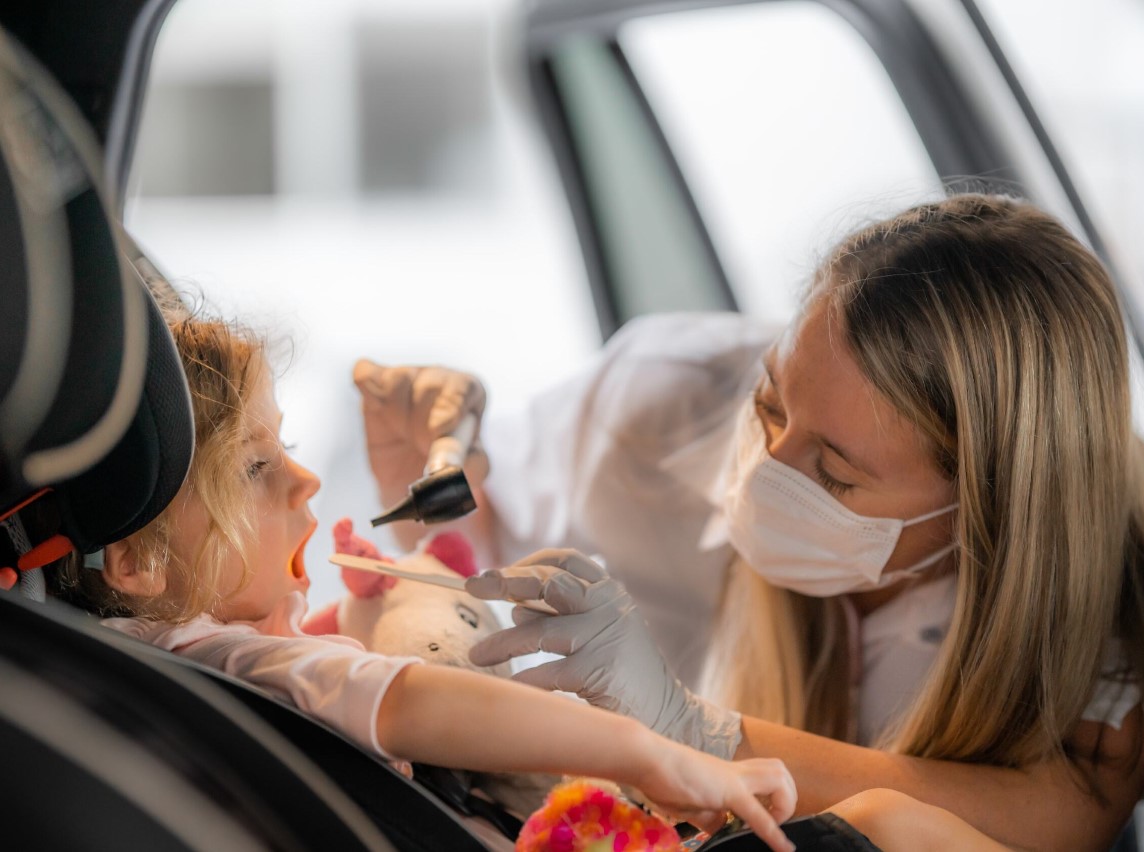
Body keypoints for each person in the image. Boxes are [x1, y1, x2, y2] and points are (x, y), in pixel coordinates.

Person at [354, 194, 1144, 852]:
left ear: (987, 507)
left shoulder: (1114, 573)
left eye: (835, 476)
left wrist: (696, 734)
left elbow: (1061, 818)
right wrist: (431, 471)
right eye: (770, 403)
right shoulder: (660, 401)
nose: (764, 470)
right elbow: (470, 544)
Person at [48, 310, 798, 852]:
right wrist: (649, 751)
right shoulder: (224, 659)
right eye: (253, 467)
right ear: (138, 562)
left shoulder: (193, 655)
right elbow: (410, 697)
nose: (306, 481)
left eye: (290, 447)